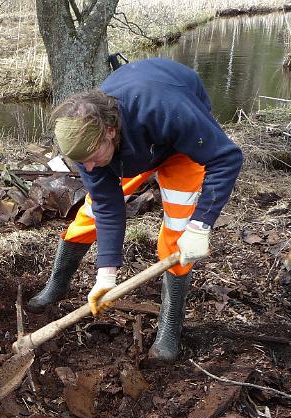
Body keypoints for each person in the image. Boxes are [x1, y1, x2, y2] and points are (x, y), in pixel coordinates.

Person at [28, 58, 243, 364]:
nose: (87, 168)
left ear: (110, 130)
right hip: (128, 153)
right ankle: (56, 285)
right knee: (88, 217)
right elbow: (108, 206)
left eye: (90, 158)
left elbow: (227, 158)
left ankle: (169, 327)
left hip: (179, 147)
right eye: (81, 163)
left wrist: (201, 225)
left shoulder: (165, 108)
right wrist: (106, 276)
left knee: (179, 231)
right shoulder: (87, 149)